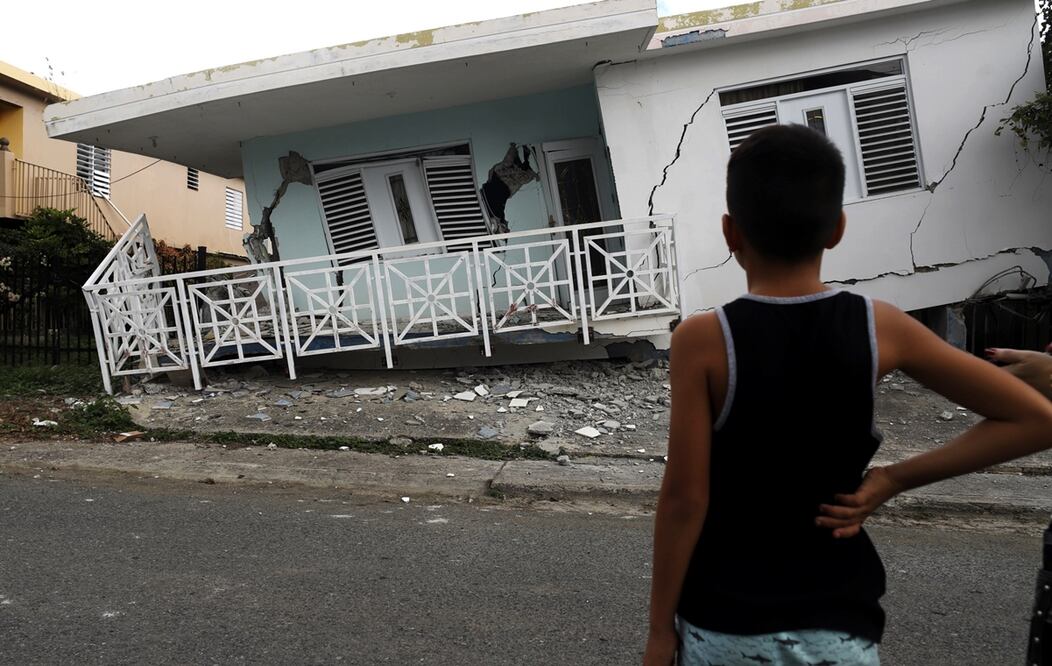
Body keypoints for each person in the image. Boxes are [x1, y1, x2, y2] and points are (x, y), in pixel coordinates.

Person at [644, 124, 1052, 666]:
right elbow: (1037, 419)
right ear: (836, 228)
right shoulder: (880, 326)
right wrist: (893, 478)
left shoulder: (700, 340)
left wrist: (658, 631)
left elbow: (684, 500)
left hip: (725, 622)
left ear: (730, 232)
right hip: (838, 623)